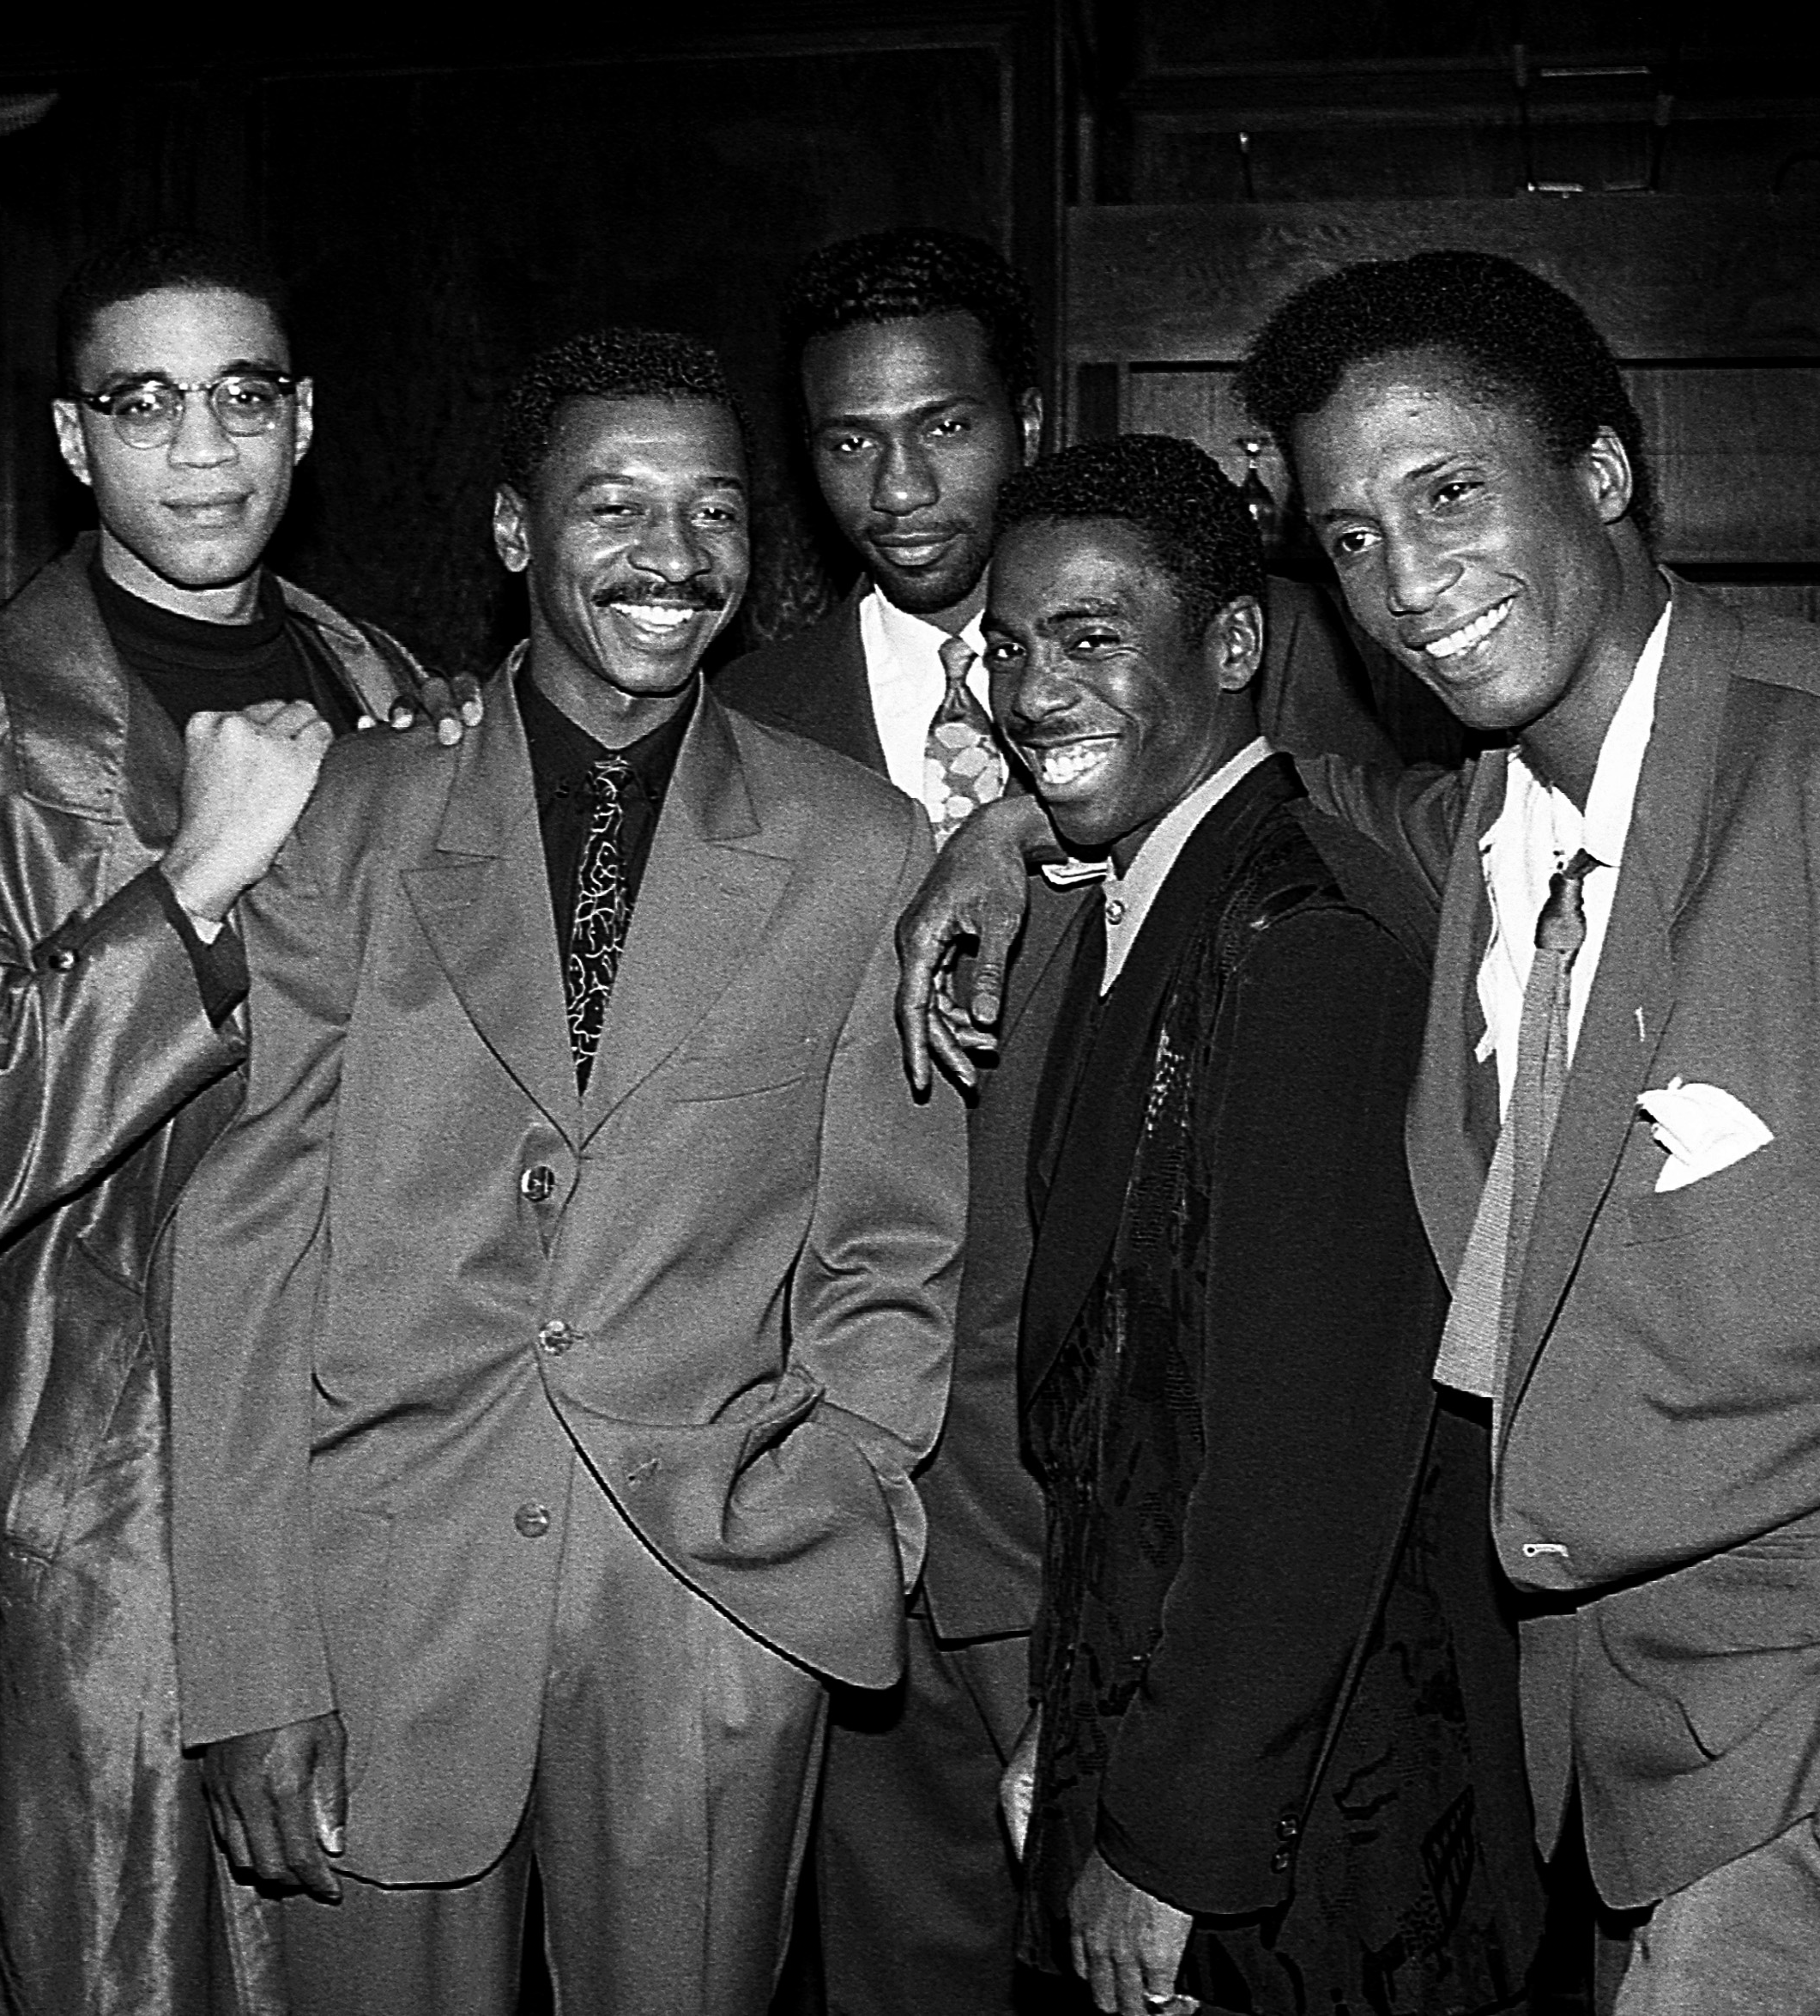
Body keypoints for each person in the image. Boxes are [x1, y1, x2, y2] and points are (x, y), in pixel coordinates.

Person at [904, 248, 1820, 2014]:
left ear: (1606, 472)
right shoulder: (1494, 821)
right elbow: (1261, 791)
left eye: (1450, 495)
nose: (1410, 583)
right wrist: (1017, 824)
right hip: (1638, 1808)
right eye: (1350, 537)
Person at [163, 328, 964, 2016]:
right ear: (519, 533)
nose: (672, 556)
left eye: (717, 511)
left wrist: (850, 1511)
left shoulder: (862, 842)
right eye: (616, 505)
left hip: (713, 1607)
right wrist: (247, 1653)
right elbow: (250, 1246)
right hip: (384, 1596)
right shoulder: (344, 816)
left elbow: (890, 1243)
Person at [719, 222, 1400, 2016]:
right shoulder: (740, 710)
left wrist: (1011, 817)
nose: (897, 479)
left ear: (1019, 415)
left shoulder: (1215, 677)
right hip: (848, 1480)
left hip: (1111, 1492)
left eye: (940, 426)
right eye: (848, 441)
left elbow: (1366, 827)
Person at [0, 228, 467, 2016]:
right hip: (119, 1469)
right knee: (136, 1953)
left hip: (396, 1439)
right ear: (74, 441)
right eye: (143, 401)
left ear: (303, 421)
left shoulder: (386, 684)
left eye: (241, 395)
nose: (200, 443)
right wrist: (190, 887)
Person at [983, 435, 1545, 2016]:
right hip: (1192, 1760)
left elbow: (1299, 1467)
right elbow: (1133, 1409)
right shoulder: (1149, 889)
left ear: (1232, 646)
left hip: (1328, 1847)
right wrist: (1078, 1725)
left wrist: (1171, 1836)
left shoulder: (1308, 944)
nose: (1032, 690)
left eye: (1091, 639)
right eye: (1007, 648)